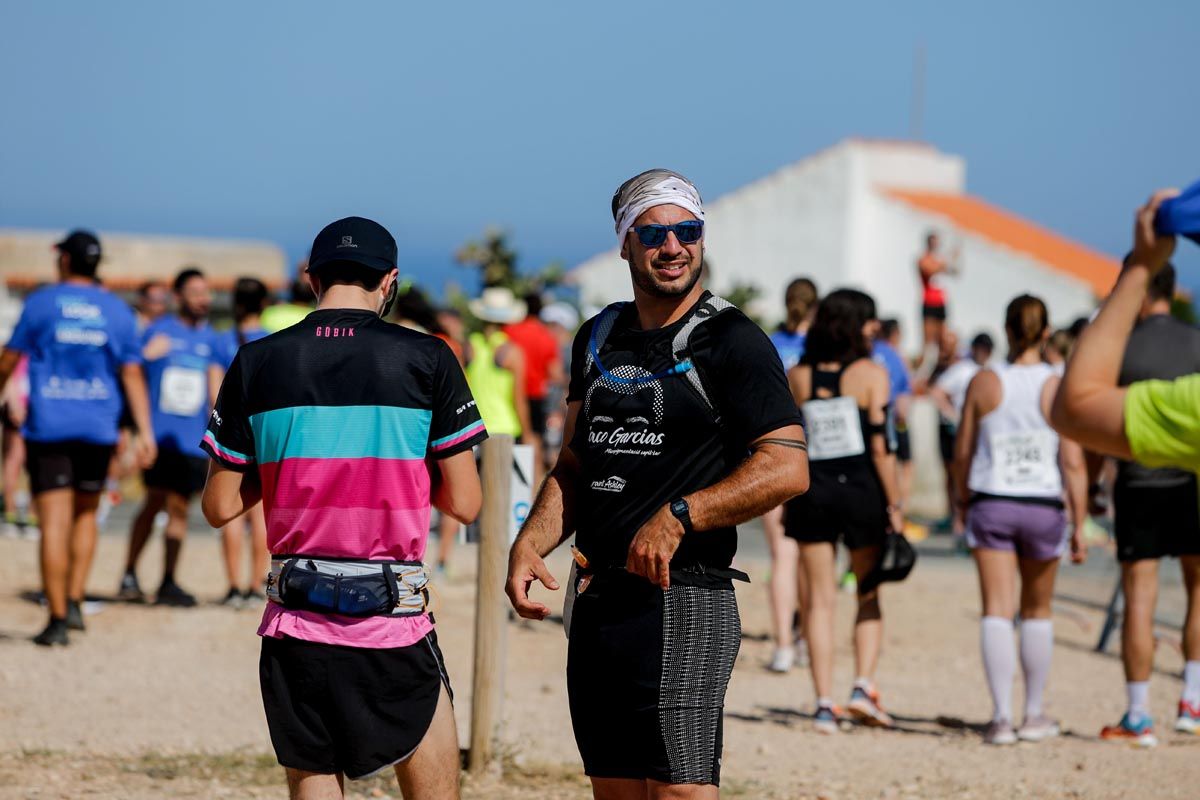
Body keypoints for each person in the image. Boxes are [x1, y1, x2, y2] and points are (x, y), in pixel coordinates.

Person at [506, 169, 807, 798]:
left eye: (687, 231)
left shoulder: (731, 339)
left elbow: (786, 466)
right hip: (596, 599)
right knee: (614, 790)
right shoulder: (598, 336)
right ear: (625, 244)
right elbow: (574, 464)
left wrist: (679, 515)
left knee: (679, 791)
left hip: (686, 598)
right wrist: (531, 542)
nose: (673, 247)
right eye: (654, 234)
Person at [200, 216, 485, 799]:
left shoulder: (257, 361)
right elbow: (466, 503)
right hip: (390, 619)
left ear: (311, 279)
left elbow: (218, 505)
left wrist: (286, 464)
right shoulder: (428, 357)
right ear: (390, 281)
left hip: (295, 615)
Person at [0, 230, 155, 645]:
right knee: (86, 514)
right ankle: (73, 602)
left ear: (65, 260)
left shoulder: (41, 302)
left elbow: (9, 359)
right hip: (98, 426)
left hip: (50, 423)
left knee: (53, 521)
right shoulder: (117, 311)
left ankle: (54, 620)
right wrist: (145, 431)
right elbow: (133, 373)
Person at [955, 295, 1088, 745]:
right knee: (1037, 610)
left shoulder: (985, 381)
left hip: (993, 500)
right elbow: (1072, 461)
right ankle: (1034, 713)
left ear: (1007, 330)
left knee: (997, 608)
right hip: (1044, 505)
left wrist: (959, 501)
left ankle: (1000, 717)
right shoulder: (1057, 384)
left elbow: (964, 451)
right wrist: (1081, 521)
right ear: (1046, 332)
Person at [784, 289, 902, 733]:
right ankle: (862, 686)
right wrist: (895, 502)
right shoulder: (872, 373)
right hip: (862, 492)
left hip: (812, 492)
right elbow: (882, 445)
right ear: (857, 325)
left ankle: (822, 702)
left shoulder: (799, 375)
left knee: (818, 600)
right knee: (868, 592)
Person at [120, 268, 222, 606]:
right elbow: (129, 371)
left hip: (192, 441)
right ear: (179, 297)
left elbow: (216, 392)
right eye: (195, 292)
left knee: (179, 508)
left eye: (206, 293)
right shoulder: (158, 332)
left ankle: (168, 580)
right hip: (160, 437)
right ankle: (130, 572)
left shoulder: (212, 341)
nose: (203, 299)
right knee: (153, 502)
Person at [762, 277, 819, 673]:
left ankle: (783, 643)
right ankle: (800, 638)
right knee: (809, 559)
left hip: (766, 458)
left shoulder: (767, 345)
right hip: (812, 459)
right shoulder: (821, 351)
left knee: (782, 556)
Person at [213, 277, 271, 608]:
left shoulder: (222, 341)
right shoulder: (271, 341)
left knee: (230, 513)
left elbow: (214, 392)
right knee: (259, 514)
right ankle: (254, 584)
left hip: (230, 433)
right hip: (261, 433)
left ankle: (233, 586)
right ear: (263, 303)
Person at [931, 332, 994, 536]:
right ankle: (957, 520)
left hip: (977, 432)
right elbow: (937, 392)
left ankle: (965, 520)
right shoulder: (961, 370)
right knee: (957, 474)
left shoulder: (989, 372)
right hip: (957, 431)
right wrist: (954, 416)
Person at [504, 291, 565, 483]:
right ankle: (534, 486)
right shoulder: (545, 336)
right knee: (534, 443)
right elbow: (554, 373)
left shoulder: (508, 331)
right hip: (536, 395)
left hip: (509, 394)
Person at [466, 287, 531, 444]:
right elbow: (518, 398)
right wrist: (528, 433)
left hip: (474, 428)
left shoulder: (470, 346)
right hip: (505, 429)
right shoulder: (512, 351)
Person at [916, 231, 960, 373]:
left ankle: (940, 370)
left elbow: (955, 271)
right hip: (929, 303)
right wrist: (947, 260)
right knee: (928, 344)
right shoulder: (924, 259)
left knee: (943, 341)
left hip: (941, 303)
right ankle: (921, 371)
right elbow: (930, 270)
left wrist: (953, 258)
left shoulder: (939, 260)